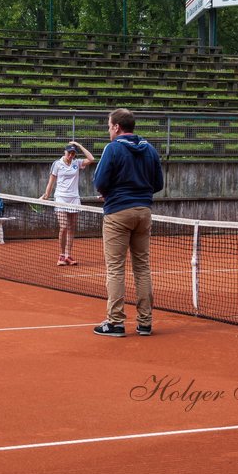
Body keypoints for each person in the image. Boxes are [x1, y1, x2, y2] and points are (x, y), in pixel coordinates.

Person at [92, 108, 165, 338]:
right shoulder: (149, 149)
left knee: (115, 269)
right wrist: (140, 193)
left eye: (109, 126)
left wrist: (109, 193)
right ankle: (145, 323)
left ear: (116, 127)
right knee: (142, 268)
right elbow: (158, 183)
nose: (108, 130)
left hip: (118, 213)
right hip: (144, 212)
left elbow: (99, 181)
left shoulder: (112, 148)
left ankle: (115, 322)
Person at [39, 140, 95, 266]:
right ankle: (61, 255)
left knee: (71, 228)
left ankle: (68, 255)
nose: (71, 155)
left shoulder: (77, 163)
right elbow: (51, 182)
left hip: (74, 198)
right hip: (61, 198)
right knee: (63, 226)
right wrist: (46, 195)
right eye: (69, 153)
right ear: (65, 152)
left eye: (73, 153)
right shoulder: (57, 164)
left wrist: (80, 145)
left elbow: (91, 158)